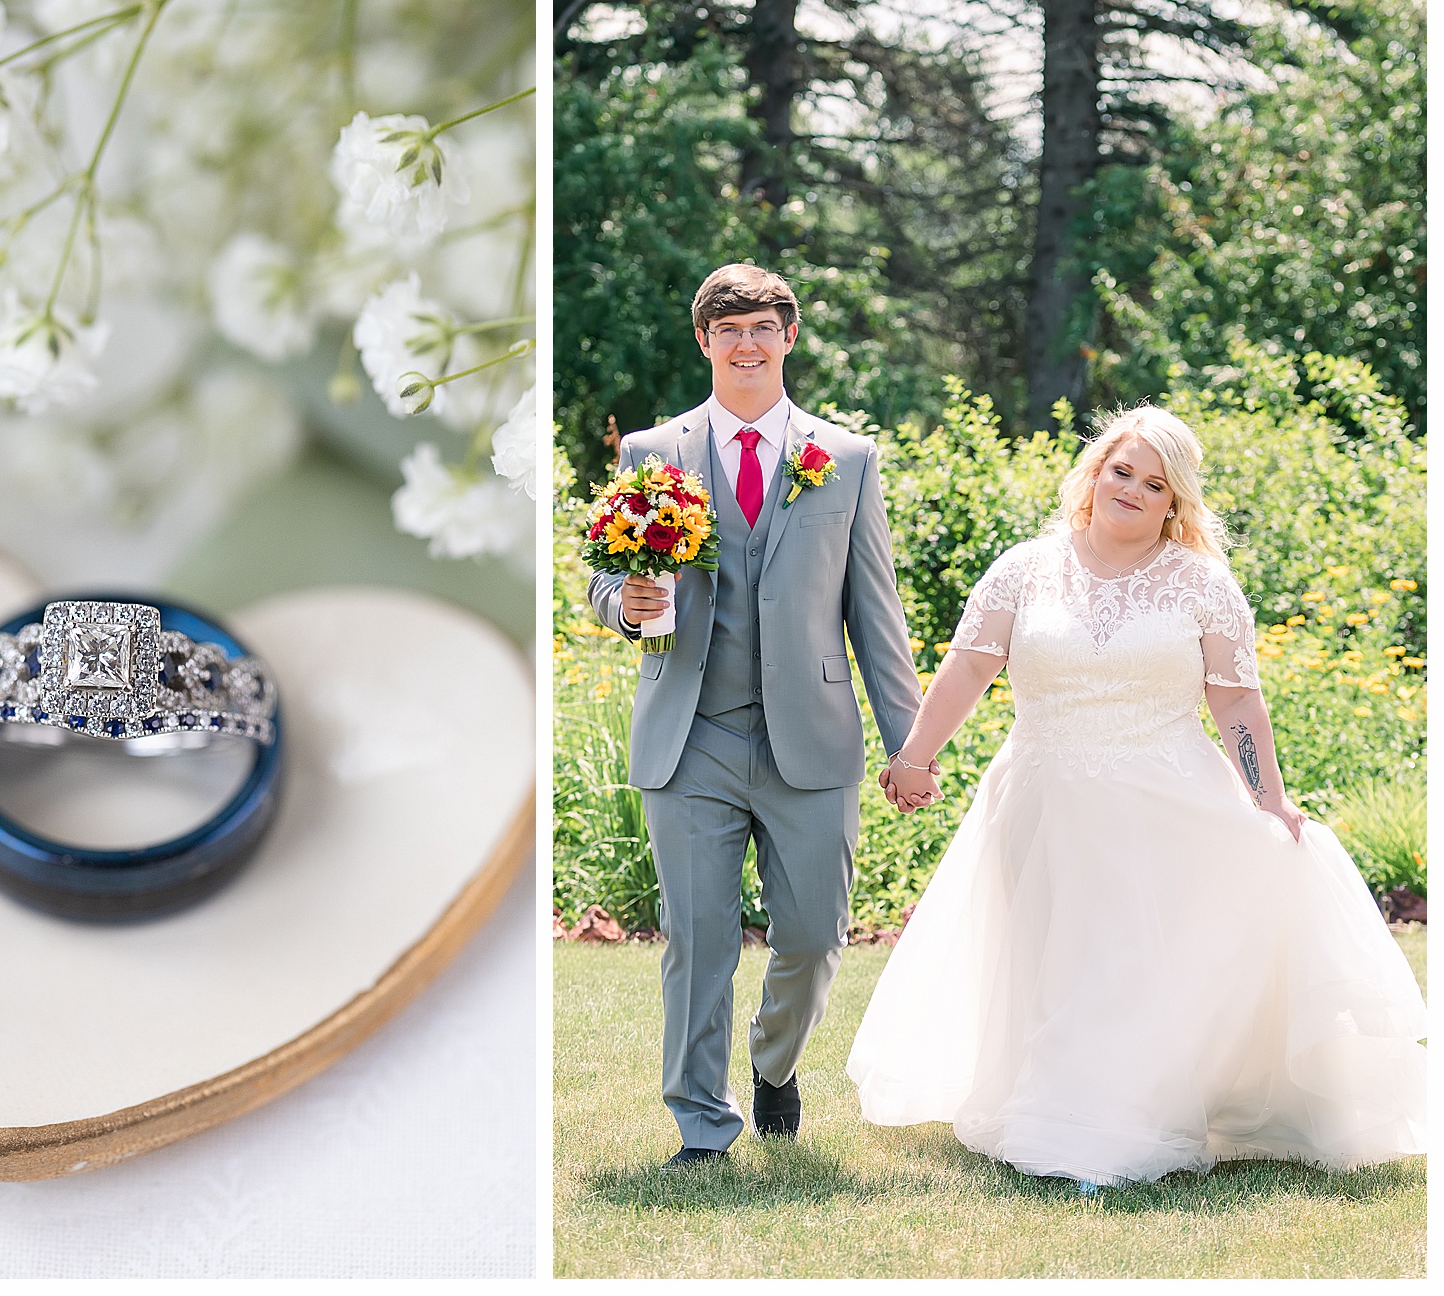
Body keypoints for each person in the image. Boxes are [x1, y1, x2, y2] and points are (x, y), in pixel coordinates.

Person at [848, 405, 1427, 1190]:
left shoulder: (1203, 584)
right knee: (1055, 962)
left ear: (1173, 504)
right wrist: (914, 756)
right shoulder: (1024, 568)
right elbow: (966, 672)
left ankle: (1106, 1131)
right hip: (1041, 799)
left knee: (1124, 965)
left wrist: (1270, 800)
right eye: (1122, 470)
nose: (1133, 490)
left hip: (1165, 804)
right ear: (1094, 474)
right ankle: (1058, 1106)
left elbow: (1235, 702)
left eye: (1155, 484)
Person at [587, 264, 925, 1169]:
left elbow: (876, 614)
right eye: (728, 329)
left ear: (789, 338)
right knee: (698, 945)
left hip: (808, 737)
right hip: (688, 731)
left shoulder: (844, 459)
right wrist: (627, 604)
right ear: (703, 341)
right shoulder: (651, 454)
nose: (746, 344)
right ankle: (703, 1127)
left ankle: (774, 1062)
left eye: (762, 328)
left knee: (814, 936)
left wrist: (912, 744)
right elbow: (604, 582)